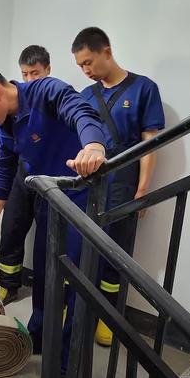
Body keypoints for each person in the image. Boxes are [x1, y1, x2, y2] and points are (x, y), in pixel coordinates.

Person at [0, 62, 106, 361]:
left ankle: (69, 359)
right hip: (49, 200)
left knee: (80, 282)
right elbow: (5, 170)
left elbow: (81, 112)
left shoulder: (46, 90)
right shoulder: (4, 127)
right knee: (44, 272)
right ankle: (37, 336)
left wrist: (93, 147)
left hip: (83, 198)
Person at [73, 26, 165, 346]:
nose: (85, 71)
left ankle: (108, 317)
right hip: (89, 183)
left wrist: (143, 188)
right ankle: (77, 308)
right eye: (80, 66)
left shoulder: (143, 89)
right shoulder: (85, 96)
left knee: (117, 253)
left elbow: (150, 141)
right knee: (82, 247)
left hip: (123, 182)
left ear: (107, 52)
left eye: (88, 62)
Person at [0, 45, 51, 304]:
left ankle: (52, 296)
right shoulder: (9, 106)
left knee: (50, 242)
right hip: (22, 176)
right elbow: (5, 157)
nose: (29, 80)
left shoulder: (52, 102)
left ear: (48, 71)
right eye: (25, 74)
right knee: (10, 231)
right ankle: (8, 285)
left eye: (35, 74)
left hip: (51, 181)